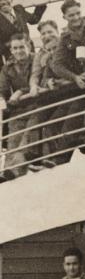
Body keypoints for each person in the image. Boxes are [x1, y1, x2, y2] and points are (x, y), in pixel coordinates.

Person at [51, 0, 85, 152]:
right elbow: (56, 65)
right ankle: (80, 141)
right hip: (83, 83)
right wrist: (75, 78)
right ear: (64, 17)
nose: (75, 18)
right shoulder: (65, 37)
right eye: (71, 15)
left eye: (77, 13)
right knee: (74, 113)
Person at [0, 33, 35, 176]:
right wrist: (1, 98)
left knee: (26, 140)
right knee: (13, 141)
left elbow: (41, 80)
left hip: (37, 106)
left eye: (22, 47)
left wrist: (21, 91)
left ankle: (14, 172)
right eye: (15, 48)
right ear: (11, 50)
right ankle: (5, 175)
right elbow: (1, 87)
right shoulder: (8, 67)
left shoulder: (36, 60)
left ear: (28, 46)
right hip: (19, 110)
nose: (18, 51)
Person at [0, 0, 46, 64]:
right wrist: (11, 44)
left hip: (30, 53)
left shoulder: (19, 9)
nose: (3, 2)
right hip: (11, 59)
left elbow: (34, 19)